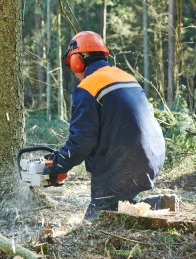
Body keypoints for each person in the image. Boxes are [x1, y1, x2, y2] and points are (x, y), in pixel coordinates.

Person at [43, 31, 165, 220]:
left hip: (123, 164)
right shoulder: (125, 76)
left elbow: (82, 141)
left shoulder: (88, 87)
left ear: (78, 60)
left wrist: (58, 164)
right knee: (120, 205)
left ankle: (146, 207)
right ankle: (156, 204)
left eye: (72, 65)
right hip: (151, 156)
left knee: (96, 221)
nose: (74, 73)